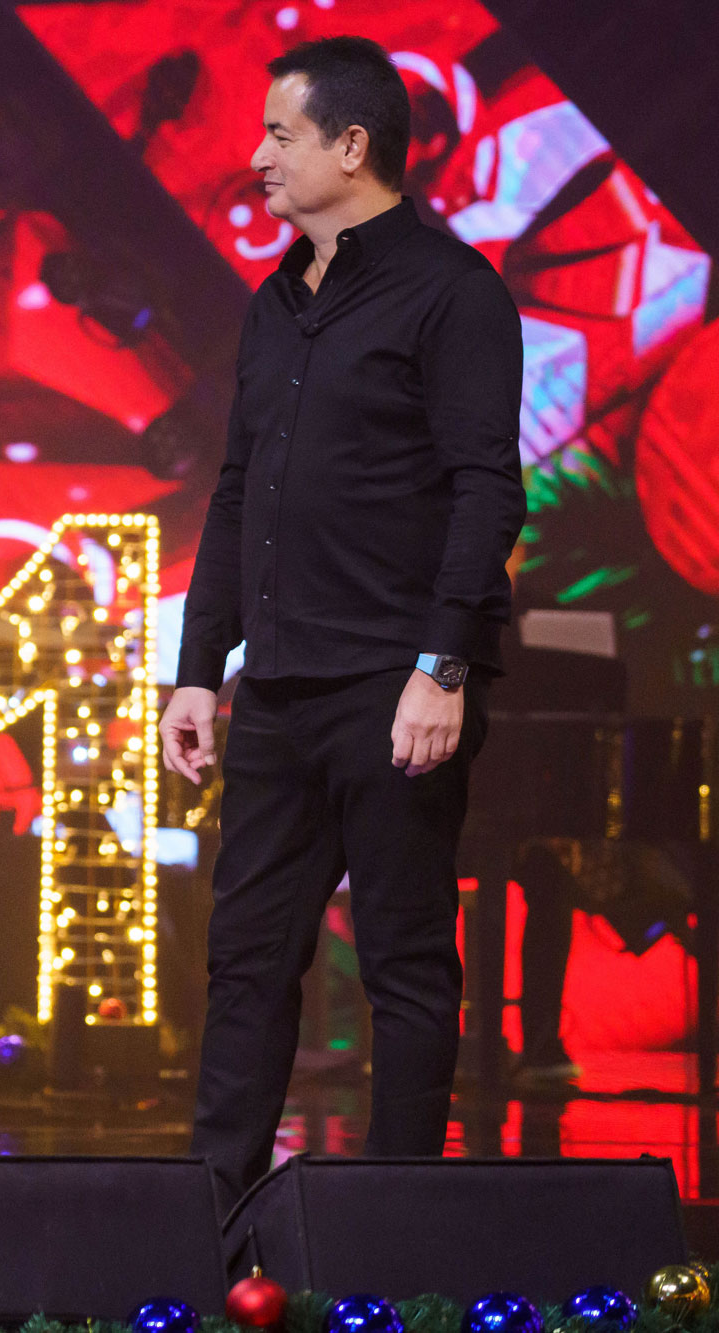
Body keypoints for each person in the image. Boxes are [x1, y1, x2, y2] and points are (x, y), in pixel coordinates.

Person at [158, 36, 525, 1209]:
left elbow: (485, 488)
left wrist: (442, 666)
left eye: (280, 134)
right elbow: (237, 491)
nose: (258, 157)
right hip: (277, 686)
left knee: (404, 964)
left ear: (350, 146)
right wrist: (197, 669)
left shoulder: (451, 292)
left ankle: (396, 1230)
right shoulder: (274, 303)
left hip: (392, 681)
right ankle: (214, 1220)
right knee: (245, 960)